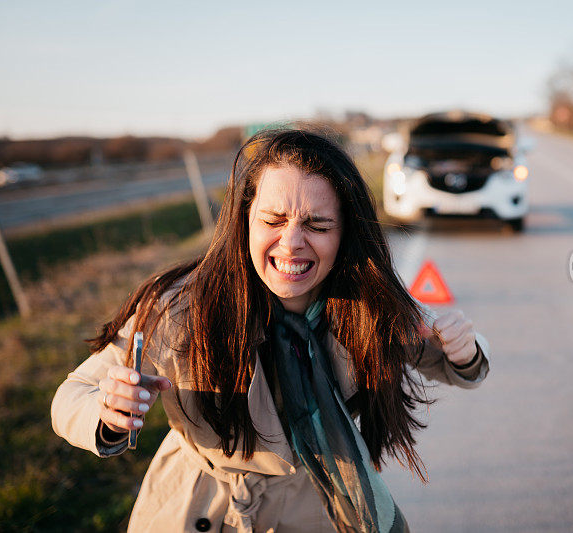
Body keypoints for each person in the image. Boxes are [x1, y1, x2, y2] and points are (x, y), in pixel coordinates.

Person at [51, 128, 490, 532]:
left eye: (318, 225)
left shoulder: (369, 305)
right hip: (195, 508)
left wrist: (465, 349)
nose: (292, 242)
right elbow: (73, 395)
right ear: (244, 220)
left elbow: (461, 366)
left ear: (346, 234)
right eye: (273, 220)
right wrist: (109, 411)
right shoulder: (180, 307)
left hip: (314, 505)